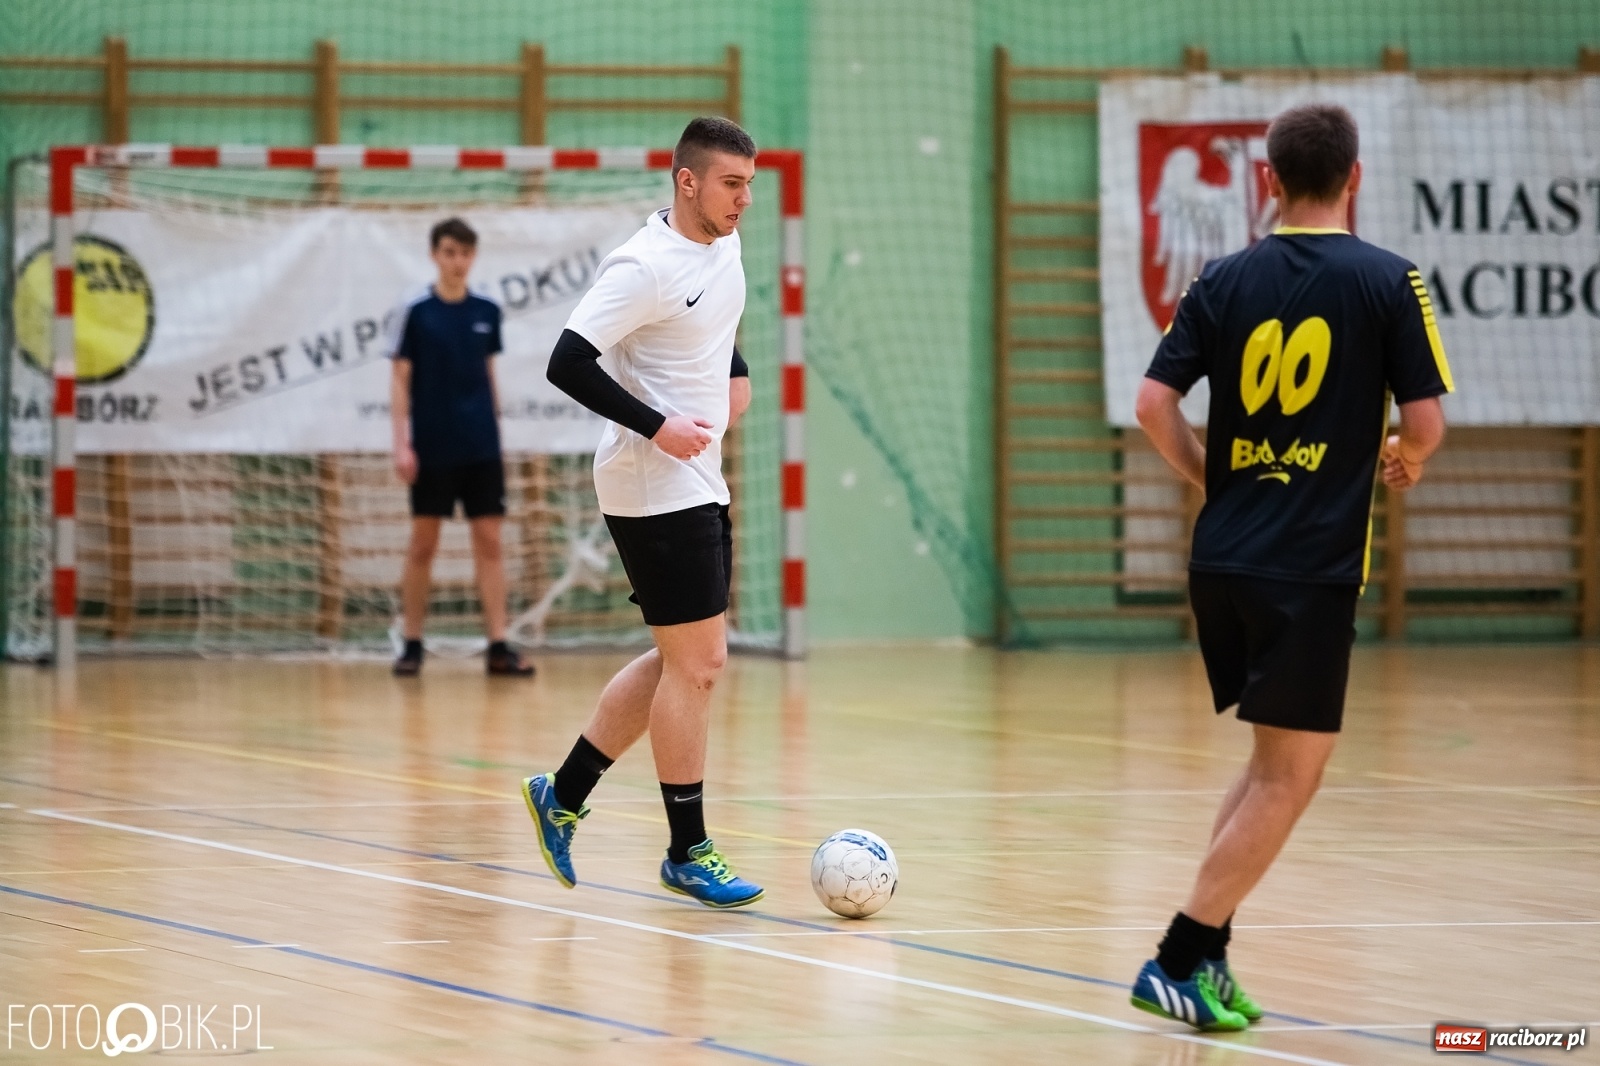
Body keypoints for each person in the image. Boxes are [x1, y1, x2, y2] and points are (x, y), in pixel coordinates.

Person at [1129, 103, 1453, 1031]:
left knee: (1271, 763)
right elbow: (1425, 425)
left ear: (1268, 181)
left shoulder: (1223, 277)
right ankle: (1178, 958)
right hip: (1308, 567)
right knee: (1293, 776)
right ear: (1357, 178)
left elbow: (1155, 405)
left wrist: (1213, 480)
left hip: (1224, 557)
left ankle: (1213, 952)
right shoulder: (1392, 280)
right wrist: (1409, 455)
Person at [521, 116, 760, 907]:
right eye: (731, 184)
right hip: (652, 481)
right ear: (686, 181)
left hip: (697, 479)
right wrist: (660, 424)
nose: (743, 200)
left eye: (749, 185)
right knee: (702, 664)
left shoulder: (721, 240)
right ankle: (686, 851)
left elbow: (712, 321)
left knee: (678, 659)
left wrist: (735, 374)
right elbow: (566, 361)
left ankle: (564, 793)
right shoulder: (642, 266)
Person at [388, 217, 535, 678]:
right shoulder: (417, 313)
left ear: (473, 257)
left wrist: (496, 433)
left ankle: (497, 645)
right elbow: (399, 378)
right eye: (450, 252)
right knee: (423, 544)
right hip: (431, 447)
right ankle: (412, 643)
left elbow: (487, 376)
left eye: (465, 253)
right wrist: (401, 443)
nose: (458, 261)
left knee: (490, 542)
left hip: (480, 448)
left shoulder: (486, 312)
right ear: (435, 254)